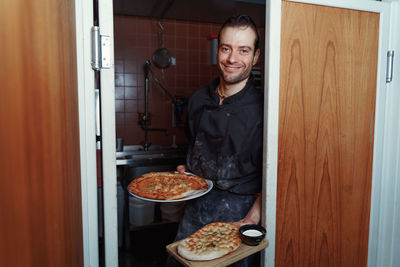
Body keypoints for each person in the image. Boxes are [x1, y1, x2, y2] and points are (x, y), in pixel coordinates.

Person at [166, 14, 263, 267]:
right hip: (195, 207)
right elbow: (194, 147)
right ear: (217, 50)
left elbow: (276, 174)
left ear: (255, 57)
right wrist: (187, 170)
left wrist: (253, 216)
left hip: (240, 215)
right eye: (226, 48)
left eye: (244, 50)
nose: (232, 59)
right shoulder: (198, 99)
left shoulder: (265, 109)